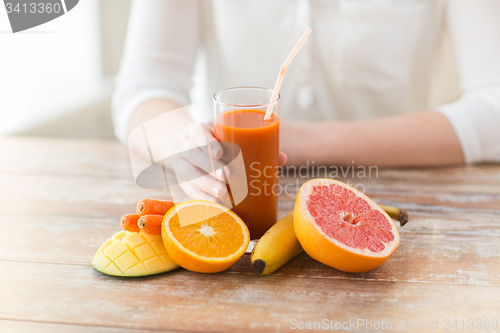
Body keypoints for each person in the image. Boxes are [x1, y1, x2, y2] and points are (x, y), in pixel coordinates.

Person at [113, 0, 500, 203]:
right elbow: (143, 87)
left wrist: (303, 143)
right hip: (234, 196)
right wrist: (186, 146)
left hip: (395, 203)